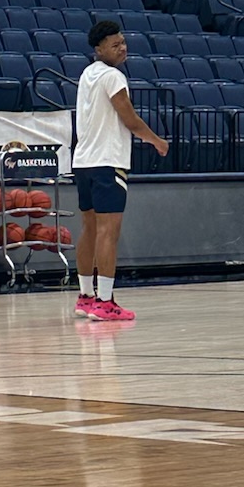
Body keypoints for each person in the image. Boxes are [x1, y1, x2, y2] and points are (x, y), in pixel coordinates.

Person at [73, 18, 168, 323]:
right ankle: (105, 302)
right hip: (107, 161)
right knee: (107, 232)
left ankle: (85, 297)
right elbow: (129, 119)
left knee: (89, 229)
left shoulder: (87, 74)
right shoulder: (113, 77)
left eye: (123, 42)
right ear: (99, 49)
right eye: (115, 45)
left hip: (83, 162)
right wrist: (156, 141)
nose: (122, 48)